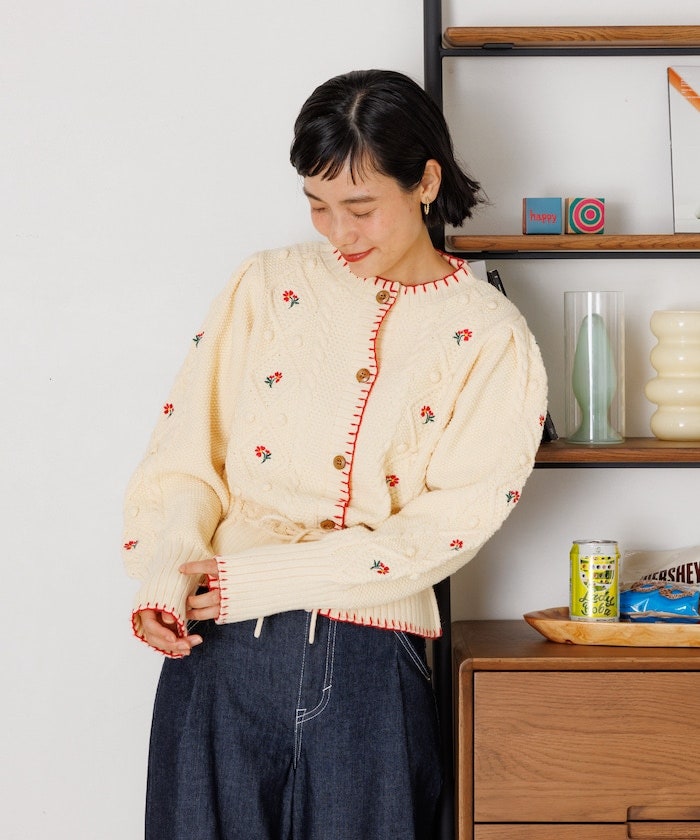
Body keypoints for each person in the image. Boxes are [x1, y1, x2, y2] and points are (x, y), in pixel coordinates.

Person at [122, 68, 548, 840]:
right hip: (221, 654)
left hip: (370, 668)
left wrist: (260, 578)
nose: (338, 232)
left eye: (360, 207)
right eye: (317, 205)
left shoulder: (492, 337)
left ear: (426, 183)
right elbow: (186, 454)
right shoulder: (266, 285)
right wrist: (167, 575)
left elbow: (447, 527)